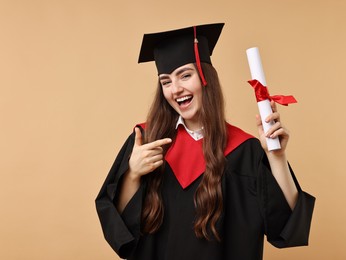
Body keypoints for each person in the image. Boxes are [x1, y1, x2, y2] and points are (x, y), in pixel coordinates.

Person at [95, 23, 315, 260]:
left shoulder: (243, 150)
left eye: (185, 75)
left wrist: (277, 157)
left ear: (206, 77)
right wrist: (133, 175)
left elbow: (287, 226)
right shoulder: (146, 142)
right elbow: (120, 230)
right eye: (166, 81)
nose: (176, 89)